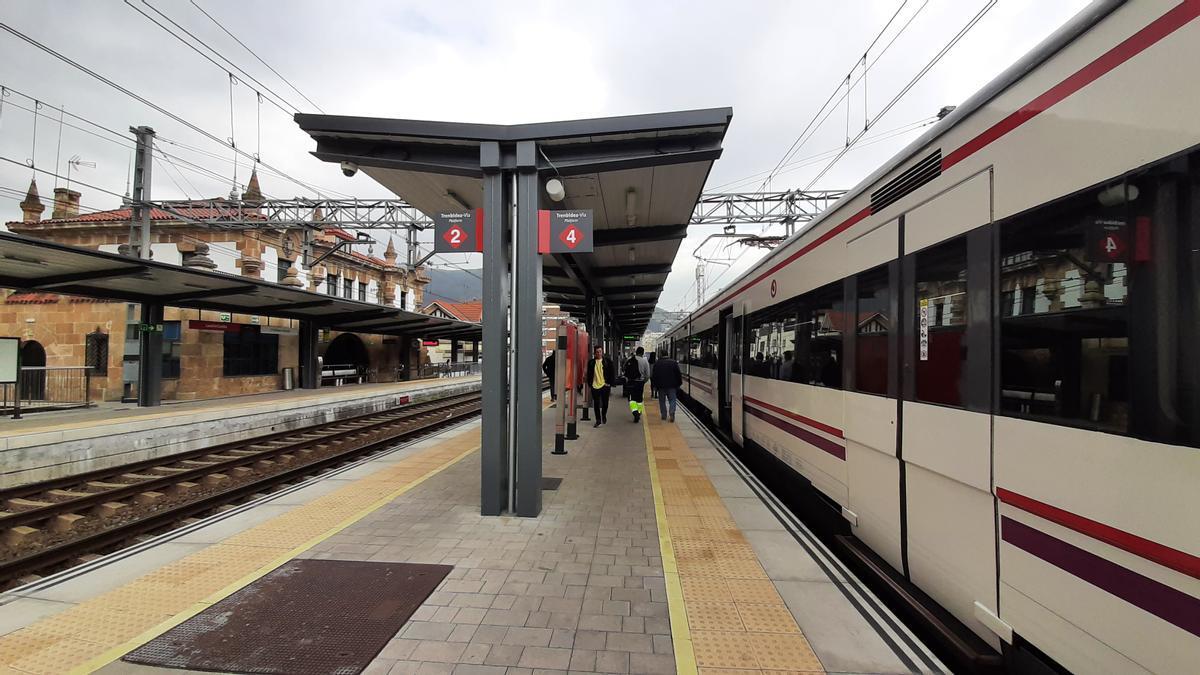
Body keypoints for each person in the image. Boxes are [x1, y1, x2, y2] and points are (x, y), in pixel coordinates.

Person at [651, 348, 683, 422]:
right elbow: (678, 374)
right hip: (672, 386)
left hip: (661, 386)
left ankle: (664, 415)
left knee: (662, 401)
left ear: (661, 355)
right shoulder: (674, 362)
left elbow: (654, 376)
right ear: (667, 354)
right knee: (672, 400)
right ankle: (672, 412)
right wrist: (679, 383)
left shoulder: (657, 363)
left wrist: (655, 386)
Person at [586, 346, 615, 427]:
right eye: (597, 352)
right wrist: (590, 384)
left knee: (605, 403)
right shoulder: (591, 362)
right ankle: (598, 420)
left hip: (605, 386)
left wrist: (609, 383)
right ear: (594, 353)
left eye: (600, 351)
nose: (598, 353)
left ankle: (603, 415)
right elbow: (589, 374)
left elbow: (612, 373)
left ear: (602, 352)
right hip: (595, 386)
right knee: (596, 403)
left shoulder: (608, 362)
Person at [623, 347, 651, 423]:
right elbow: (648, 375)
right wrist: (643, 381)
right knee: (639, 399)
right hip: (640, 383)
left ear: (636, 352)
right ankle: (638, 412)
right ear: (642, 353)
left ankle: (635, 413)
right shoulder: (645, 362)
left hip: (631, 382)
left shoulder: (630, 359)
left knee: (631, 399)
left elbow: (624, 369)